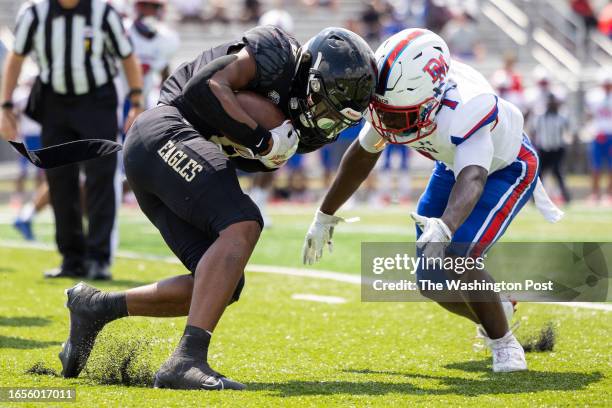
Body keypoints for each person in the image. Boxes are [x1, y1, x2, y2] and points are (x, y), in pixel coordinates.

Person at [56, 26, 376, 390]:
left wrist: (264, 146)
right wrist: (260, 137)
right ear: (313, 75)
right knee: (243, 222)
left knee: (224, 283)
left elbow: (251, 158)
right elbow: (205, 87)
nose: (322, 119)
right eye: (322, 104)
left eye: (335, 116)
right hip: (163, 131)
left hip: (163, 158)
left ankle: (96, 307)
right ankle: (186, 360)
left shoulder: (303, 129)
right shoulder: (276, 53)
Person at [302, 28, 563, 373]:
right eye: (382, 111)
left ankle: (503, 343)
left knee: (456, 255)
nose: (388, 123)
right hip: (452, 164)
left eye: (398, 116)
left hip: (504, 168)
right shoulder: (393, 99)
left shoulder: (468, 107)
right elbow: (363, 155)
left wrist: (445, 226)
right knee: (430, 282)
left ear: (433, 98)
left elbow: (474, 177)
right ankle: (498, 306)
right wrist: (324, 215)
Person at [0, 0, 144, 280]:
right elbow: (16, 58)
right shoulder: (35, 13)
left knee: (100, 178)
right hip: (54, 103)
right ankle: (71, 258)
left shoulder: (102, 12)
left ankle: (99, 259)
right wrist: (5, 106)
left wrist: (136, 100)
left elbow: (127, 56)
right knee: (59, 179)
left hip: (97, 101)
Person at [532, 94, 572, 204]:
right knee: (539, 174)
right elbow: (534, 131)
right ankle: (535, 198)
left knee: (557, 171)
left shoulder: (562, 116)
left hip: (557, 149)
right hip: (544, 149)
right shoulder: (540, 116)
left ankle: (566, 197)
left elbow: (568, 131)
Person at [586, 72, 612, 203]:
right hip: (598, 135)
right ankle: (595, 193)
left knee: (611, 167)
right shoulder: (594, 97)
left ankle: (609, 194)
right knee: (595, 166)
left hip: (610, 135)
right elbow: (589, 115)